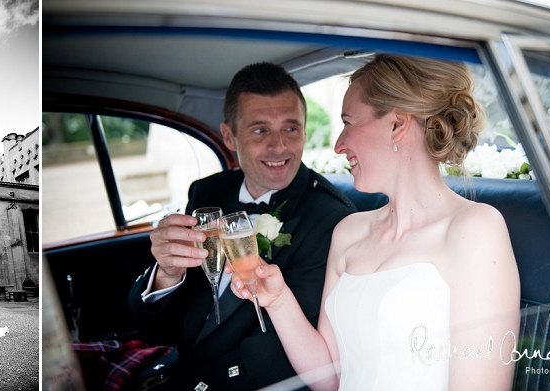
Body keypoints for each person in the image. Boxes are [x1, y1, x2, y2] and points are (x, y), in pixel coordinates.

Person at [229, 54, 521, 390]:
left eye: (349, 122)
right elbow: (332, 379)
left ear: (397, 124)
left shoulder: (475, 229)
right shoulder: (349, 231)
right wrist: (278, 300)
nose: (339, 145)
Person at [127, 62, 357, 389]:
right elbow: (165, 325)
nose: (278, 146)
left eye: (291, 128)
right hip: (173, 360)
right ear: (229, 137)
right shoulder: (207, 192)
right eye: (260, 130)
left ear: (305, 131)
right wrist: (167, 274)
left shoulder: (331, 220)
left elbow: (276, 356)